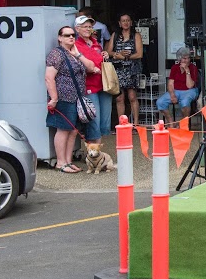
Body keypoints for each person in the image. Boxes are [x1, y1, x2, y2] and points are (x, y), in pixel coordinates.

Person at [45, 26, 94, 173]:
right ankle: (61, 162)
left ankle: (68, 161)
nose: (71, 38)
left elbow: (91, 67)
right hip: (64, 97)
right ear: (60, 38)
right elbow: (49, 77)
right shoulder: (56, 54)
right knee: (64, 129)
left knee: (73, 131)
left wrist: (78, 55)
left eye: (73, 35)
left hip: (77, 97)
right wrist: (54, 98)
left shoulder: (74, 53)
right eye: (67, 35)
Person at [73, 14, 108, 143]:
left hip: (103, 85)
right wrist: (91, 68)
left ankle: (97, 152)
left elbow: (99, 60)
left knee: (104, 122)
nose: (88, 29)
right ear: (77, 29)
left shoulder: (96, 44)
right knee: (94, 120)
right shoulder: (75, 45)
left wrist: (105, 55)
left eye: (90, 26)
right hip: (88, 87)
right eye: (84, 27)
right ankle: (94, 155)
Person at [105, 13, 143, 126]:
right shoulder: (115, 35)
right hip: (118, 70)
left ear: (131, 22)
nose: (125, 23)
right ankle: (122, 124)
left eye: (127, 20)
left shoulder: (136, 35)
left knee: (132, 97)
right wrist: (118, 54)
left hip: (132, 69)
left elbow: (140, 54)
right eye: (123, 21)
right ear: (119, 23)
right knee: (119, 98)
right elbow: (108, 52)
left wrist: (125, 57)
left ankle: (136, 123)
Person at [156, 48, 200, 126]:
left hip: (190, 90)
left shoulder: (193, 68)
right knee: (160, 102)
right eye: (184, 58)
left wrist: (187, 71)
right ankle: (170, 122)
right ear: (180, 59)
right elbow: (170, 84)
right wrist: (172, 95)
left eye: (188, 58)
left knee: (185, 103)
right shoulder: (174, 68)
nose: (187, 60)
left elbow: (189, 85)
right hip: (176, 90)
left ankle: (183, 124)